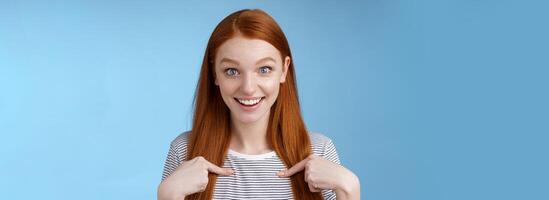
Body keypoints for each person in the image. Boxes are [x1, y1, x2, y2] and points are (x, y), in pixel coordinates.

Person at [157, 9, 360, 200]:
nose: (248, 88)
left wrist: (349, 188)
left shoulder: (319, 150)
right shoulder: (184, 151)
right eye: (231, 71)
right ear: (214, 74)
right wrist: (167, 195)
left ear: (284, 69)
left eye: (264, 69)